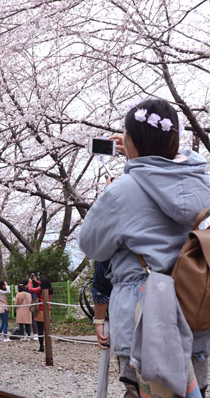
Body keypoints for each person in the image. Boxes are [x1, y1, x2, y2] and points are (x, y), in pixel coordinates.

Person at [79, 98, 210, 397]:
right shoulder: (204, 183)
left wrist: (134, 162)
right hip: (196, 311)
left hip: (143, 317)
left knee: (141, 391)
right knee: (194, 390)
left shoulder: (122, 191)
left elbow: (91, 246)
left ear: (132, 139)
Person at [27, 275, 53, 353]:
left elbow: (30, 289)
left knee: (40, 330)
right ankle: (48, 345)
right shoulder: (50, 290)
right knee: (47, 329)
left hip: (40, 311)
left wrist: (30, 282)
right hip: (48, 311)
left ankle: (41, 346)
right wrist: (37, 281)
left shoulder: (40, 289)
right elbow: (44, 284)